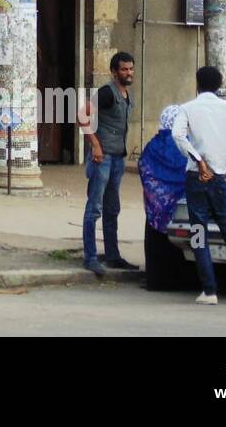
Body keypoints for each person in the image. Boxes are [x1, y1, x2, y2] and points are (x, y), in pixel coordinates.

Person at [171, 65, 226, 305]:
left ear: (197, 84)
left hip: (197, 177)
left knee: (199, 233)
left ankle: (209, 291)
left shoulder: (188, 108)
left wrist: (198, 160)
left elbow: (177, 135)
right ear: (219, 86)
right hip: (221, 178)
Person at [78, 51, 137, 277]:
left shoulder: (127, 94)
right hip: (102, 159)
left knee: (112, 209)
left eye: (131, 69)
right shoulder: (106, 92)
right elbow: (82, 115)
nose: (128, 73)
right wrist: (95, 144)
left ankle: (112, 255)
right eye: (124, 69)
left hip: (117, 159)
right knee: (94, 208)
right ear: (114, 72)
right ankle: (90, 258)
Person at [138, 104, 195, 291]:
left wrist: (158, 194)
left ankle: (158, 281)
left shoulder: (154, 145)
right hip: (184, 210)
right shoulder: (187, 144)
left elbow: (144, 167)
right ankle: (189, 281)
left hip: (157, 209)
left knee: (158, 245)